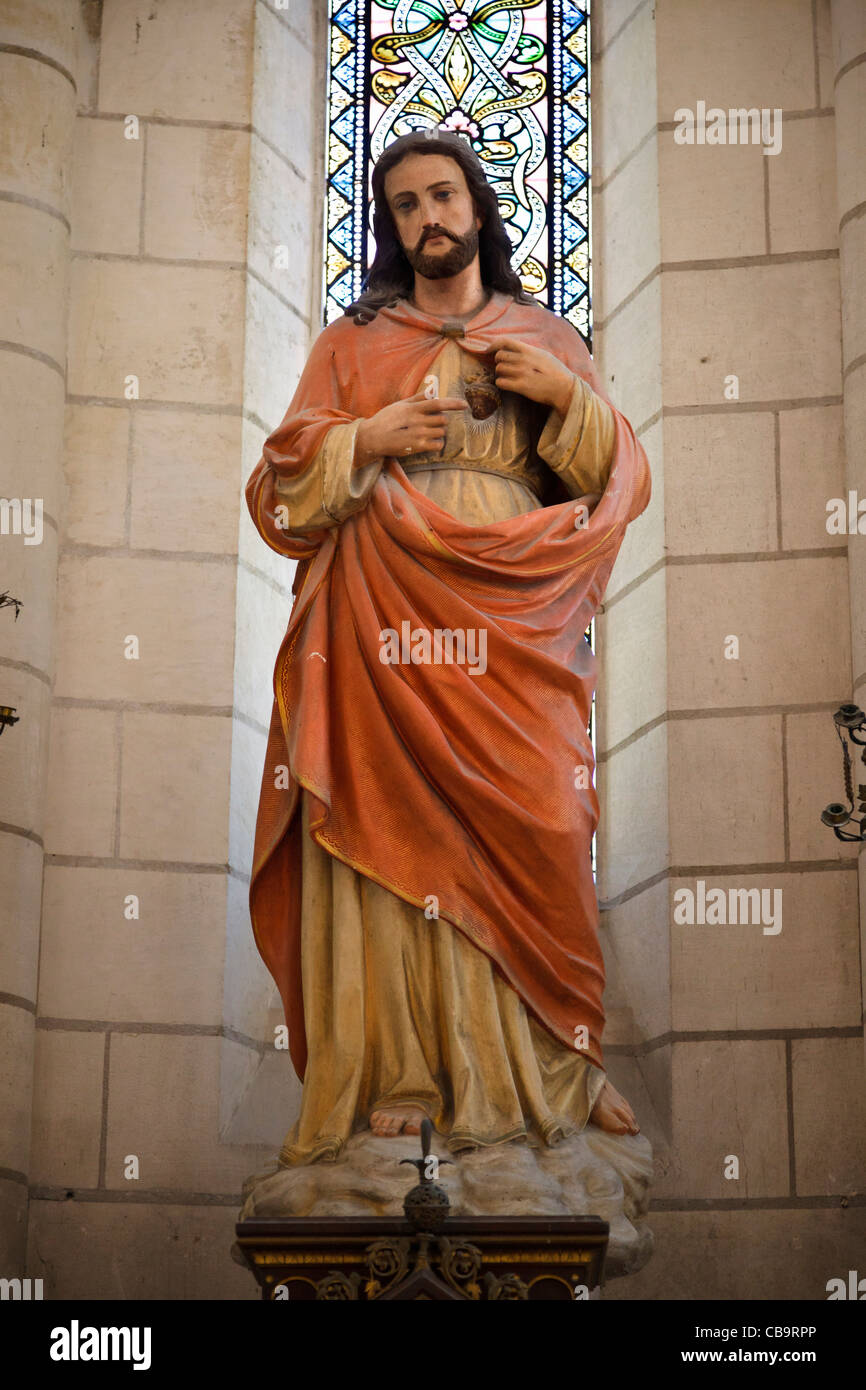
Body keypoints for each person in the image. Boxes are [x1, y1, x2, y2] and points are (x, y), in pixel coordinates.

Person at [245, 129, 650, 1166]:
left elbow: (618, 485)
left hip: (513, 627)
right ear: (390, 227)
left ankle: (551, 1067)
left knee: (542, 817)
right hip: (381, 617)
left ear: (477, 206)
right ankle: (400, 1078)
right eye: (405, 206)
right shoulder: (351, 344)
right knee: (389, 828)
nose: (427, 218)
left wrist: (564, 399)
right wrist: (362, 440)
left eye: (442, 196)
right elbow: (276, 486)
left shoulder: (546, 337)